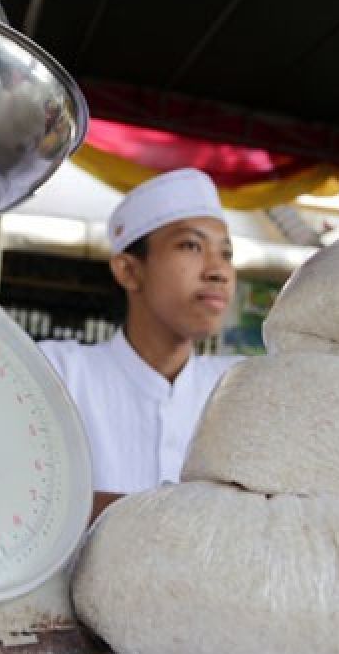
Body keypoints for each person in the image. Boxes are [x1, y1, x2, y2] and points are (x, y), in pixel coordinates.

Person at [39, 168, 243, 522]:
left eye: (226, 254)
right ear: (129, 271)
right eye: (191, 246)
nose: (218, 271)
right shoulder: (57, 373)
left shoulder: (238, 387)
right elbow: (19, 498)